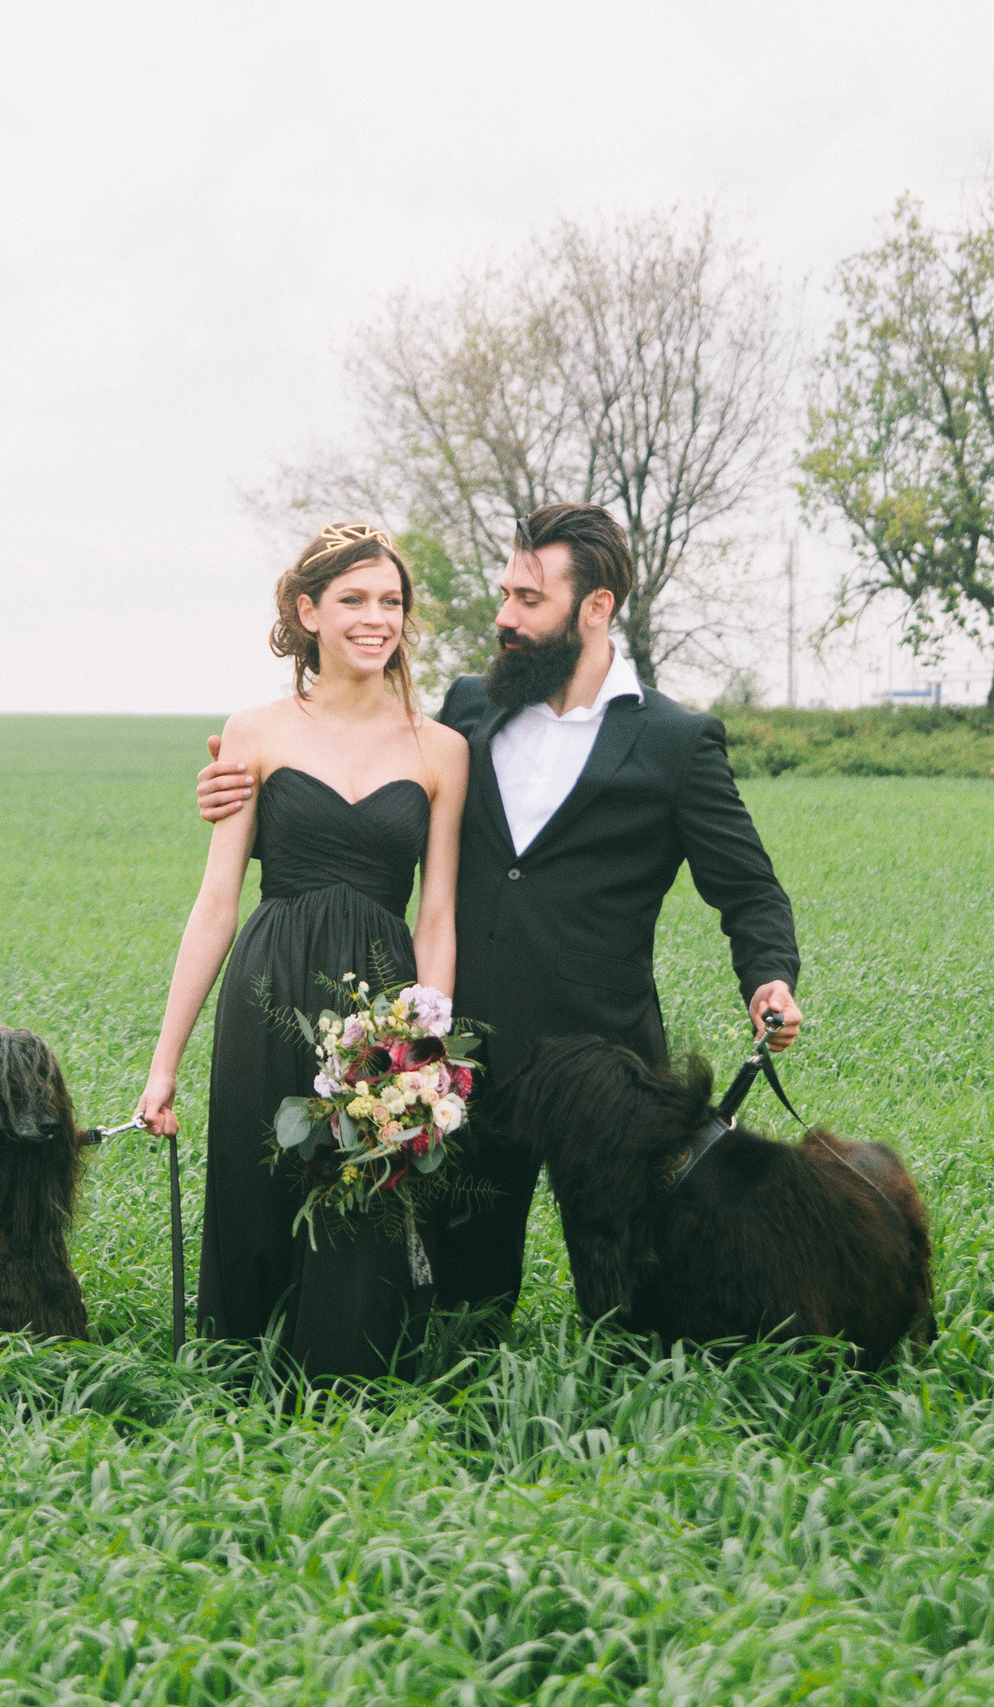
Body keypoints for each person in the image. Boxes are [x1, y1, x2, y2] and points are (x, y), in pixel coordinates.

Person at [196, 504, 802, 1322]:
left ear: (595, 609)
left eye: (528, 598)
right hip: (467, 1058)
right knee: (462, 1304)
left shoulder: (675, 742)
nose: (504, 616)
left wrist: (769, 975)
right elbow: (371, 799)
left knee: (633, 1301)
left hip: (604, 1067)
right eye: (506, 592)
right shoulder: (471, 709)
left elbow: (749, 887)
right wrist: (243, 794)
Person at [138, 522, 471, 1377]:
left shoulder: (442, 749)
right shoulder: (254, 731)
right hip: (268, 982)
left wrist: (429, 1049)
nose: (376, 618)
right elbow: (216, 902)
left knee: (364, 1193)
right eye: (354, 600)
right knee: (254, 1192)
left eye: (391, 601)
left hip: (383, 1003)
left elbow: (436, 911)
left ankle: (350, 1389)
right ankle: (238, 1383)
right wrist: (163, 1062)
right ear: (307, 611)